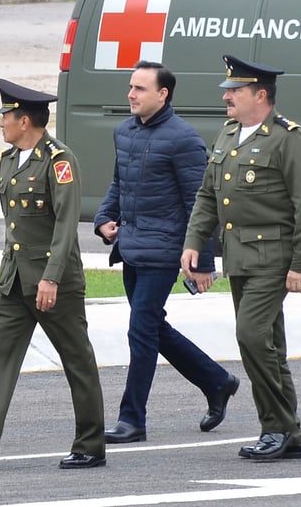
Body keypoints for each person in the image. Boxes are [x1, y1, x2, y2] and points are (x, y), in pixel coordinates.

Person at [0, 79, 105, 470]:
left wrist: (52, 277)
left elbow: (65, 224)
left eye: (6, 116)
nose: (1, 123)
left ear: (25, 119)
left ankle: (90, 443)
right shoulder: (10, 158)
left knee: (76, 359)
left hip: (51, 280)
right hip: (14, 280)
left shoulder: (59, 161)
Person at [181, 55, 301, 461]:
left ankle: (278, 427)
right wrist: (195, 241)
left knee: (251, 336)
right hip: (241, 259)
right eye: (228, 90)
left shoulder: (287, 139)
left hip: (274, 258)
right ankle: (288, 435)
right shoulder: (228, 134)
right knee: (269, 345)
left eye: (236, 91)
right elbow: (208, 196)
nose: (227, 97)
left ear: (260, 95)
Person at [93, 61, 240, 444]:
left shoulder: (183, 139)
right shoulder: (123, 132)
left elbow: (200, 204)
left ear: (163, 94)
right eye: (130, 87)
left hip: (163, 252)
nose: (131, 94)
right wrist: (104, 218)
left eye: (140, 88)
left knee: (140, 330)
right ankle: (217, 381)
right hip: (131, 248)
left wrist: (203, 261)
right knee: (153, 328)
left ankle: (132, 419)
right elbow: (119, 183)